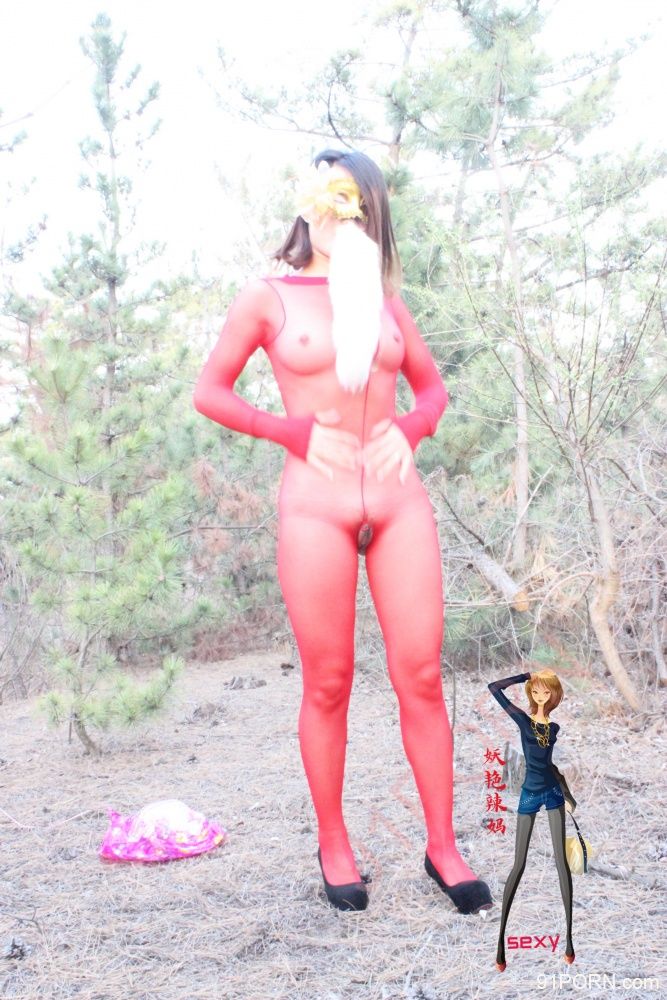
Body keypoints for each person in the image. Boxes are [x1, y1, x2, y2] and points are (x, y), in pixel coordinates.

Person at [193, 147, 492, 915]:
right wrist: (287, 431)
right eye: (327, 195)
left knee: (420, 676)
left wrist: (413, 429)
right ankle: (333, 842)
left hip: (398, 503)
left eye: (353, 199)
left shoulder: (386, 303)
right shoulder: (267, 296)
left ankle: (442, 847)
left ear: (371, 211)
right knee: (328, 680)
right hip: (314, 505)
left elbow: (432, 391)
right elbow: (210, 392)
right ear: (306, 204)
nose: (338, 212)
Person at [488, 669, 576, 969]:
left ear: (554, 696)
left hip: (552, 793)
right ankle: (500, 944)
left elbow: (550, 766)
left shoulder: (554, 728)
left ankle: (569, 940)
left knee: (561, 862)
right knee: (519, 864)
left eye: (546, 692)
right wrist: (524, 676)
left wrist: (568, 794)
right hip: (529, 794)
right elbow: (494, 687)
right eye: (536, 691)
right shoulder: (523, 721)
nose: (540, 696)